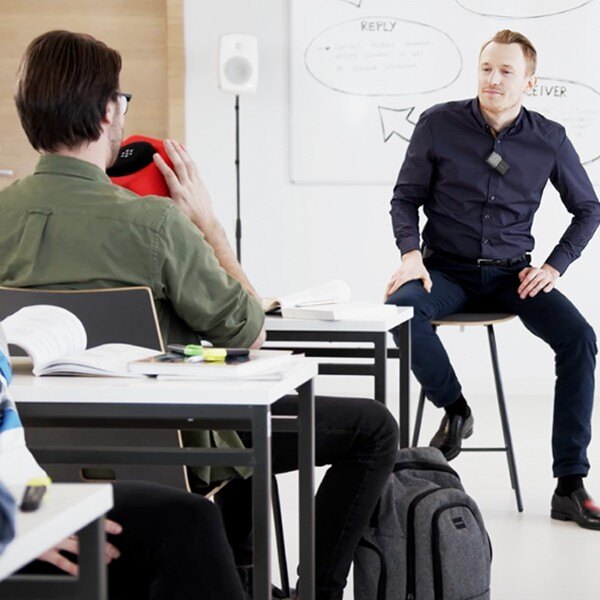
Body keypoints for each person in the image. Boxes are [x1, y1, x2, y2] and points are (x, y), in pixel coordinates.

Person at [0, 30, 398, 599]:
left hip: (34, 459)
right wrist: (208, 225)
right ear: (111, 110)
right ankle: (316, 592)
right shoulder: (157, 225)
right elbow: (250, 331)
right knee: (373, 429)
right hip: (178, 452)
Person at [386, 29, 600, 530]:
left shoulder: (548, 137)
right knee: (398, 312)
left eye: (506, 71)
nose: (493, 79)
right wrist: (411, 255)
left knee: (580, 340)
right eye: (486, 69)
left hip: (513, 276)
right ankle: (456, 410)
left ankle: (569, 484)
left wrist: (553, 266)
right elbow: (404, 198)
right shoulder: (439, 124)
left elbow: (588, 208)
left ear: (530, 81)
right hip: (445, 273)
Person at [0, 326, 247, 600]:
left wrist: (35, 505)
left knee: (184, 521)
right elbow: (245, 330)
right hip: (14, 519)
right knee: (183, 526)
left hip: (30, 496)